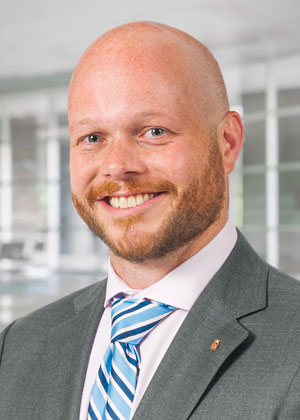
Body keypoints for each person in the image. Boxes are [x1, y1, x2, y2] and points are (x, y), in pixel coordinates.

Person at [1, 21, 300, 420]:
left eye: (154, 131)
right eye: (92, 138)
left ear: (227, 142)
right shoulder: (19, 346)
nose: (117, 167)